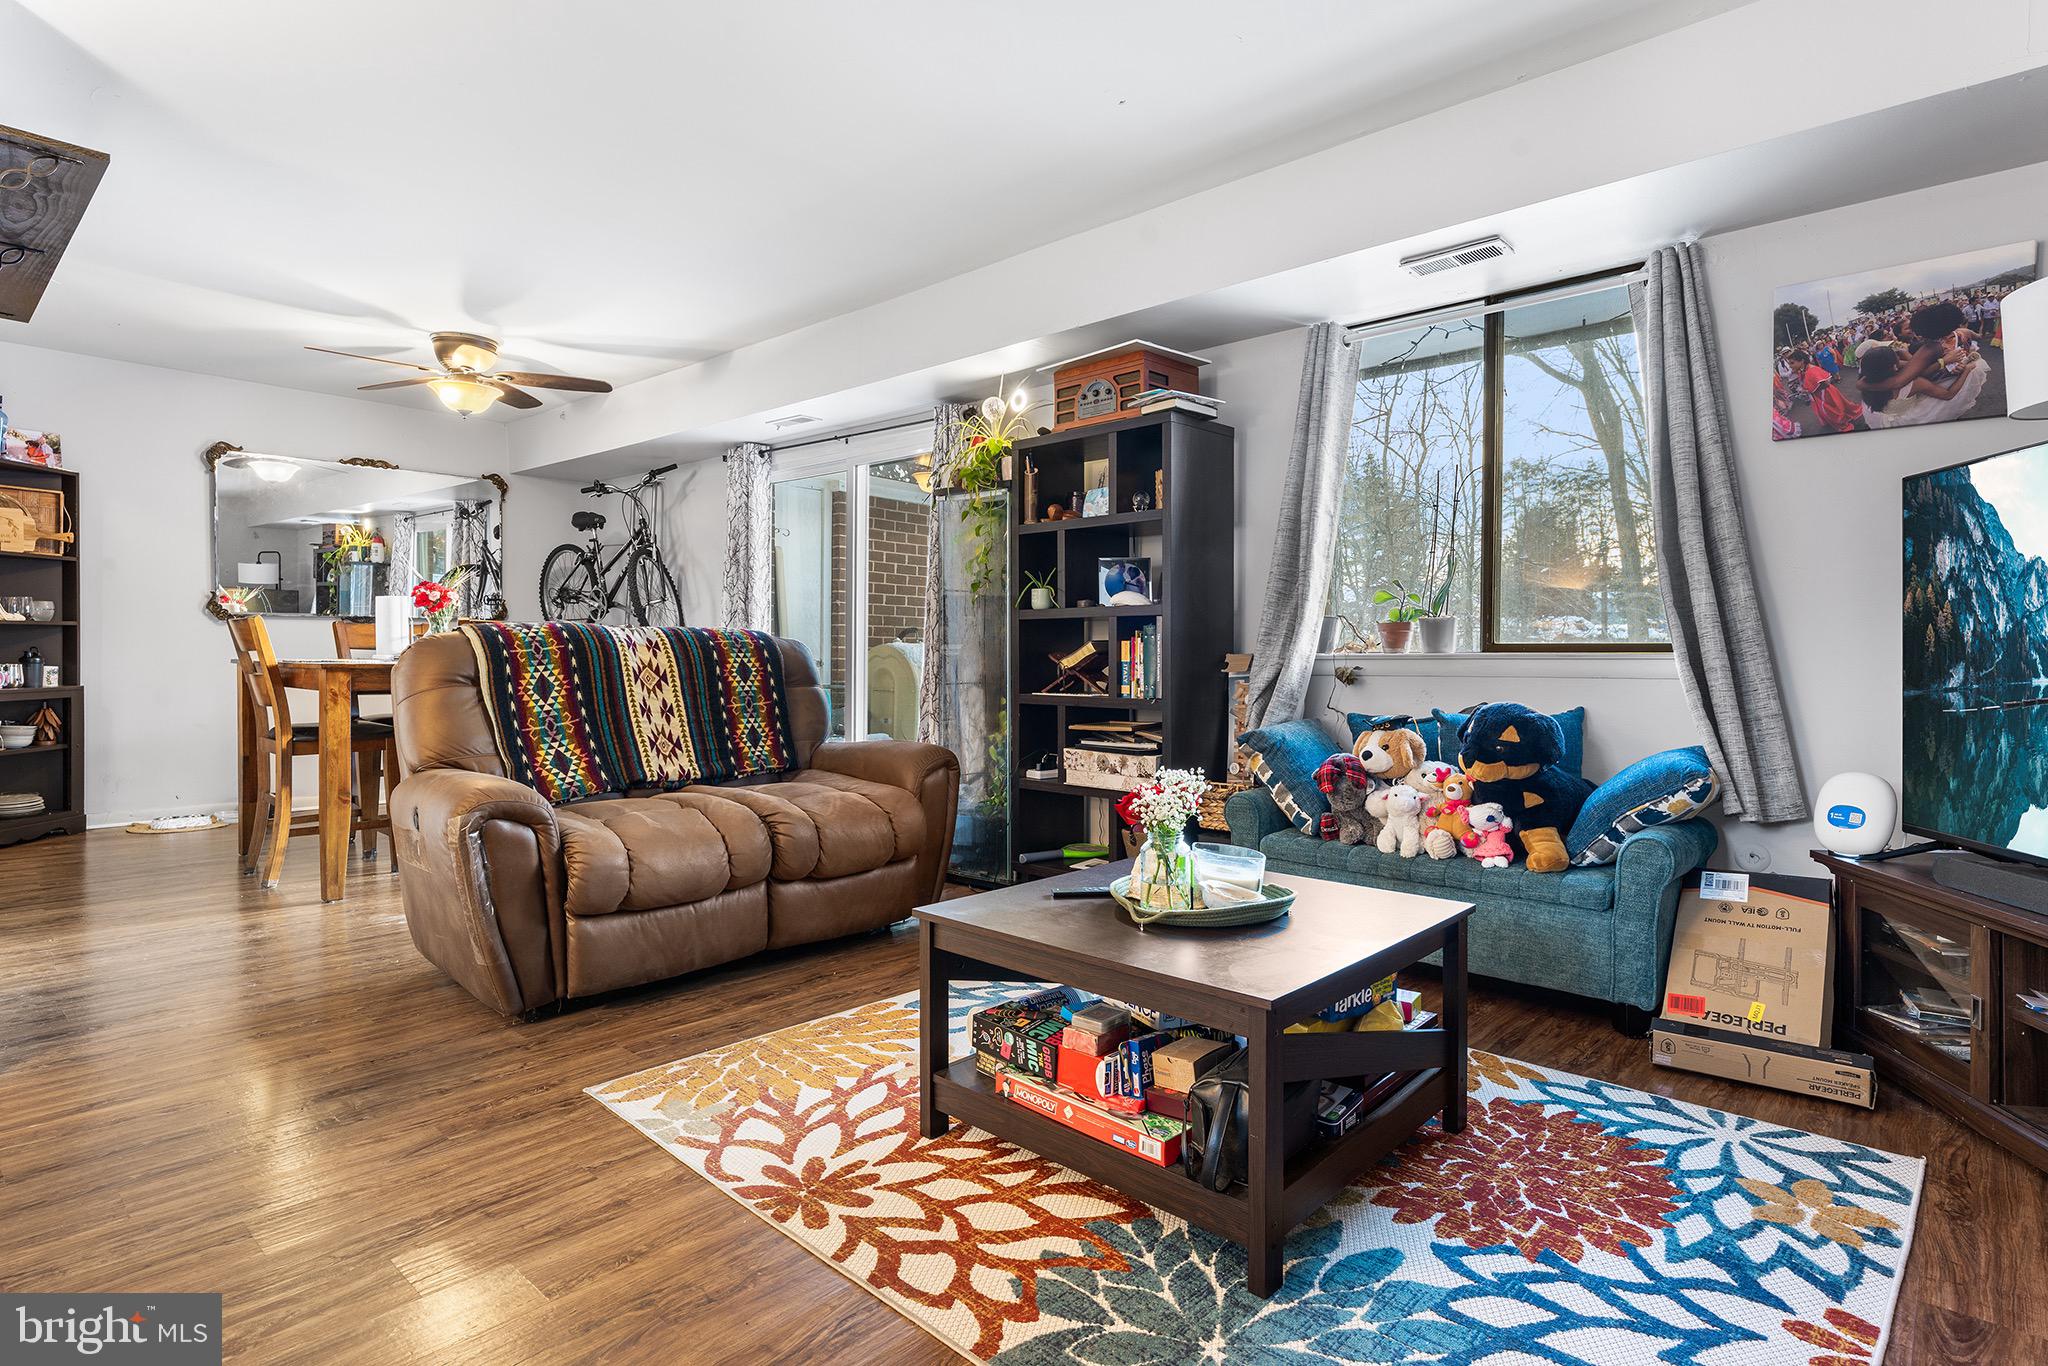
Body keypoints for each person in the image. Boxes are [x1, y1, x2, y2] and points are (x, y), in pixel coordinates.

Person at [1858, 343, 1989, 428]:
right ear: (1893, 365)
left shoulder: (1866, 379)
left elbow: (1915, 366)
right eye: (1896, 356)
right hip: (1906, 421)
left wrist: (1943, 361)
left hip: (1878, 417)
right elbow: (1949, 395)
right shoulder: (1915, 383)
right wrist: (1966, 370)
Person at [1794, 347, 1863, 432]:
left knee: (1834, 412)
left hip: (1826, 395)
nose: (1790, 366)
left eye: (1792, 363)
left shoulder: (1811, 370)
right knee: (1839, 408)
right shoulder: (1803, 371)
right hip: (1821, 395)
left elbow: (1826, 383)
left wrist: (1809, 390)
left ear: (1801, 361)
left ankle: (1844, 426)